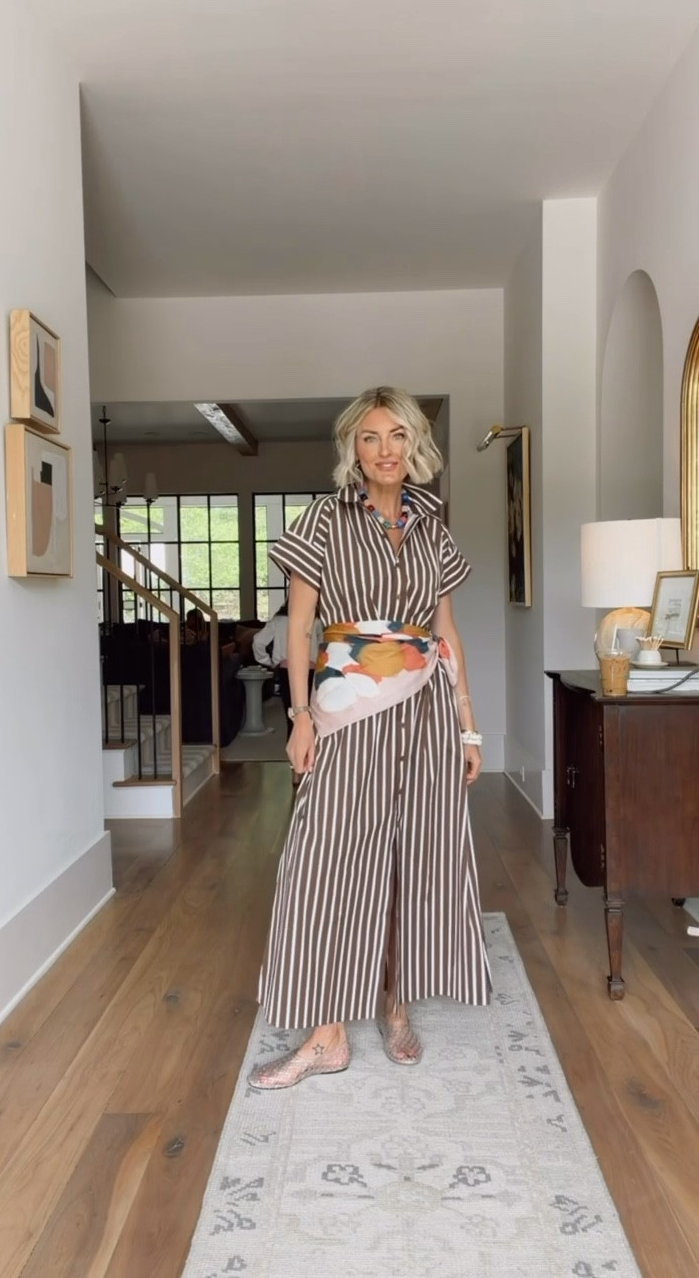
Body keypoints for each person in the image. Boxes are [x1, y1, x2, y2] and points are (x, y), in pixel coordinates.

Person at [248, 387, 491, 1091]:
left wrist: (468, 724)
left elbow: (445, 635)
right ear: (352, 450)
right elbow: (298, 627)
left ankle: (395, 1005)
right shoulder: (322, 520)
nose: (384, 450)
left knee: (414, 860)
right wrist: (297, 716)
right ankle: (326, 1035)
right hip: (347, 715)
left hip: (426, 714)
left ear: (416, 446)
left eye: (397, 436)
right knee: (323, 865)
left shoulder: (434, 529)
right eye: (369, 438)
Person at [252, 602, 321, 753]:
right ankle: (311, 758)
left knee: (292, 717)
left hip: (286, 669)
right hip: (311, 670)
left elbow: (258, 642)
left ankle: (295, 764)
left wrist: (268, 662)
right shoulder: (315, 620)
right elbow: (323, 645)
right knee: (312, 717)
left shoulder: (278, 621)